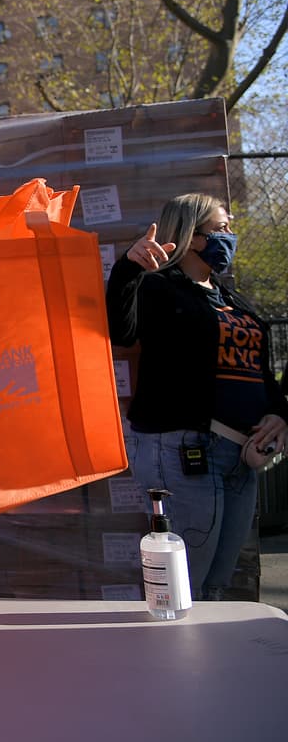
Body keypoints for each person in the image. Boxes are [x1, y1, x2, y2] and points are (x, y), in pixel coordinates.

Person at [107, 193, 288, 600]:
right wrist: (128, 268)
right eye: (222, 228)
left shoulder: (229, 299)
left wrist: (280, 414)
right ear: (192, 238)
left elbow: (256, 369)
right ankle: (170, 660)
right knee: (185, 585)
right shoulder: (159, 289)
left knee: (216, 580)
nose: (231, 235)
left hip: (240, 457)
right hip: (185, 450)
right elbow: (121, 331)